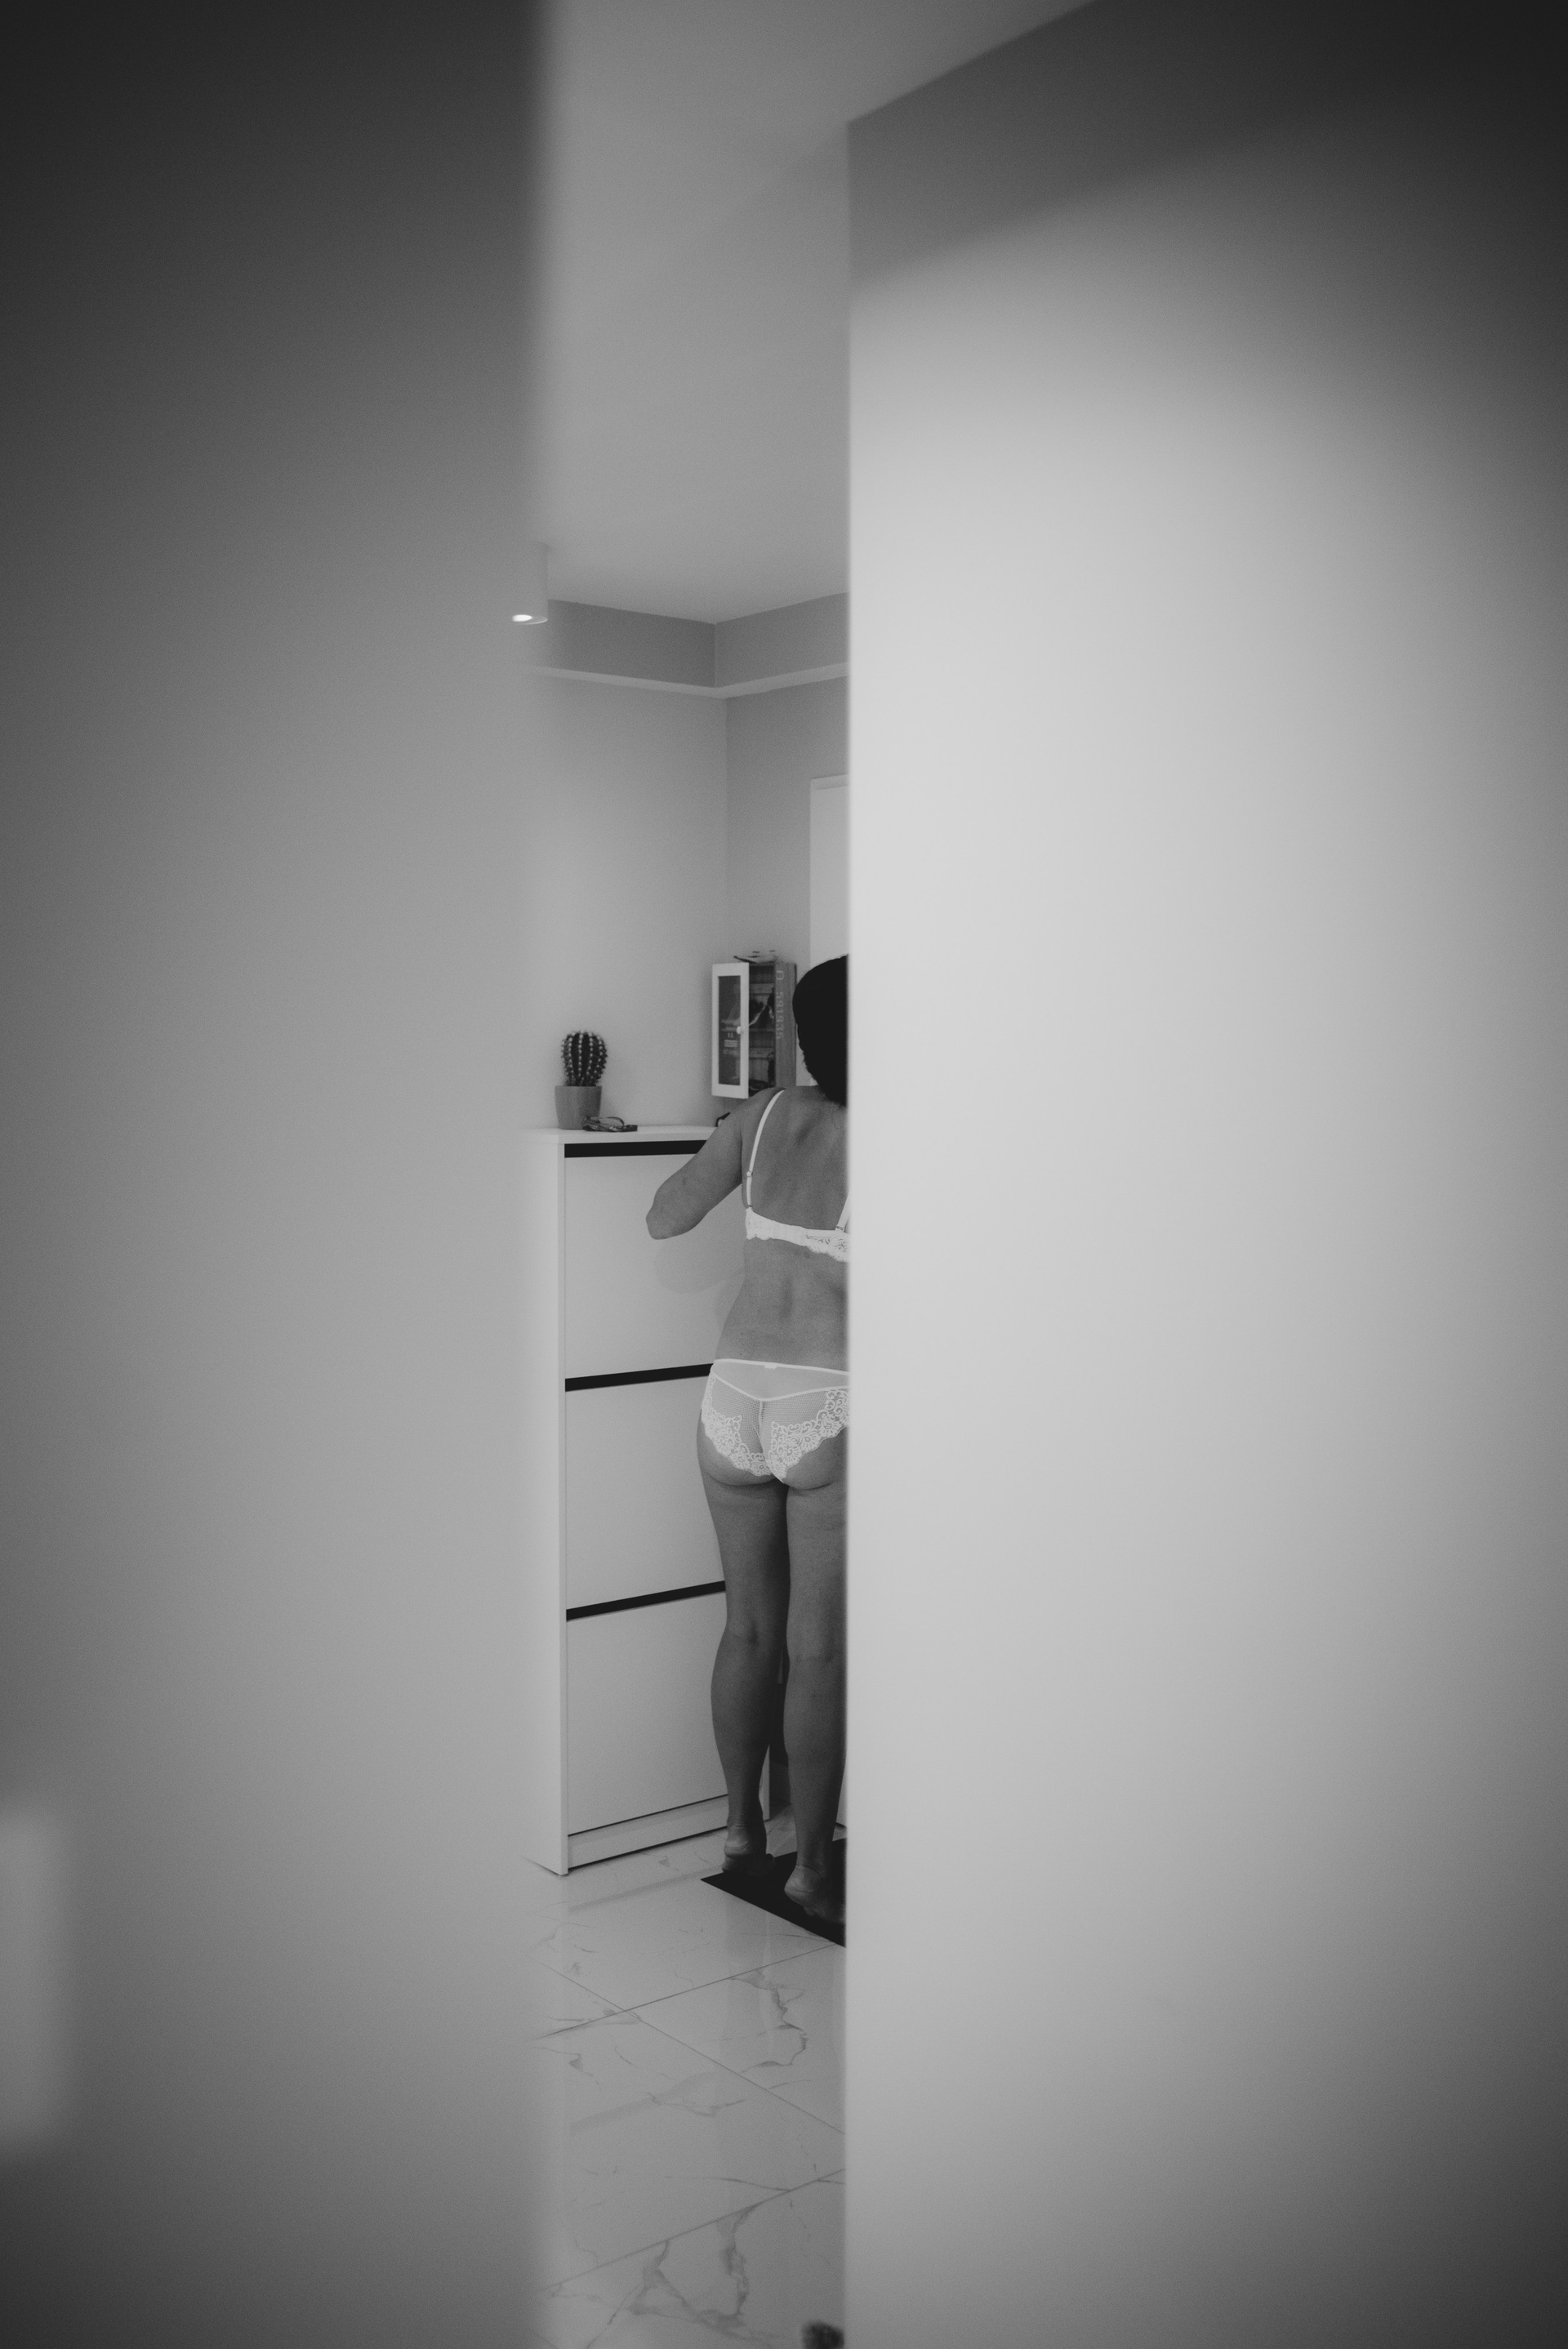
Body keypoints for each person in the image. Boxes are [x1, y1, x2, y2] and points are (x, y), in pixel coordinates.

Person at [645, 956, 848, 1923]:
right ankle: (809, 1870)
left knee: (747, 1628)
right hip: (829, 1397)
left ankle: (738, 1832)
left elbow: (664, 1215)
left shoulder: (762, 1115)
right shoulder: (908, 1135)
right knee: (815, 1650)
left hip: (732, 1397)